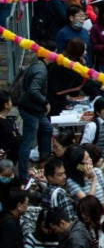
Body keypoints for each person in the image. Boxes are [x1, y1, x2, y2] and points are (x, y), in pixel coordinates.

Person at [17, 48, 56, 180]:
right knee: (28, 142)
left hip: (35, 109)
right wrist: (45, 102)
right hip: (31, 109)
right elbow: (33, 90)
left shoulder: (36, 65)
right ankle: (23, 174)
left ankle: (44, 162)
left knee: (47, 128)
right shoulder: (41, 70)